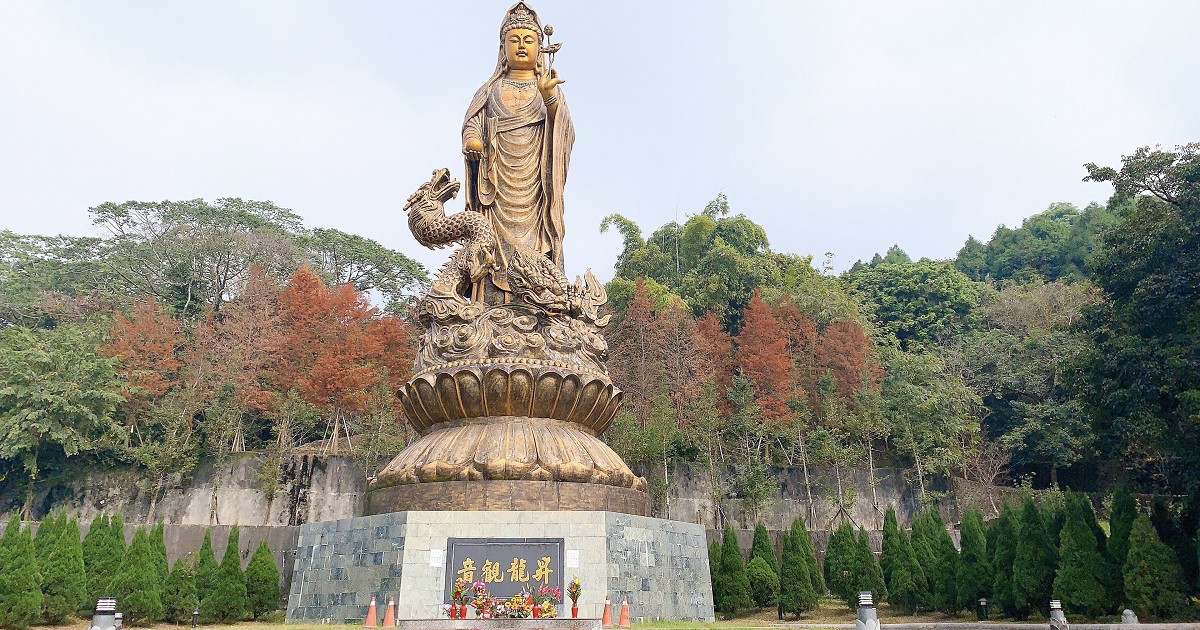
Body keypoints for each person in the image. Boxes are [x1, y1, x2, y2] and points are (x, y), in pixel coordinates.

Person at [461, 1, 573, 304]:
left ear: (540, 47)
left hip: (535, 189)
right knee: (493, 247)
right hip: (495, 187)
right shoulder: (489, 90)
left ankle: (540, 301)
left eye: (529, 40)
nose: (521, 46)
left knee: (536, 247)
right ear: (502, 47)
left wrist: (550, 100)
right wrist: (473, 142)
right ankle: (490, 302)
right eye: (514, 40)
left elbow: (564, 134)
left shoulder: (547, 88)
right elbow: (472, 124)